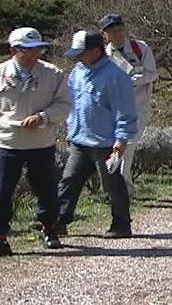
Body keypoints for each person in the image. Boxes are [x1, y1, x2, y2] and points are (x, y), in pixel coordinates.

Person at [0, 28, 70, 258]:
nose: (36, 53)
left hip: (41, 142)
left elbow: (64, 104)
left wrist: (43, 117)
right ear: (14, 50)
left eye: (39, 48)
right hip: (7, 142)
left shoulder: (54, 74)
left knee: (46, 189)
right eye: (29, 49)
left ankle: (50, 229)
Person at [56, 30, 137, 238]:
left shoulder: (116, 76)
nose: (77, 57)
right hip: (79, 141)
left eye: (81, 52)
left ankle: (121, 224)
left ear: (95, 51)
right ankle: (58, 221)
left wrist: (122, 139)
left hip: (106, 143)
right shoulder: (76, 72)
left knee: (111, 185)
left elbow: (125, 110)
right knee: (69, 181)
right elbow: (72, 104)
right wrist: (70, 130)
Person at [99, 14, 158, 195]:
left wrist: (133, 81)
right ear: (104, 34)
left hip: (138, 106)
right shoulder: (103, 56)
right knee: (113, 146)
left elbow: (152, 74)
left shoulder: (140, 48)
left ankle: (122, 188)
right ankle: (113, 186)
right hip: (114, 109)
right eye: (112, 31)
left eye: (119, 29)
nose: (117, 34)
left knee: (128, 145)